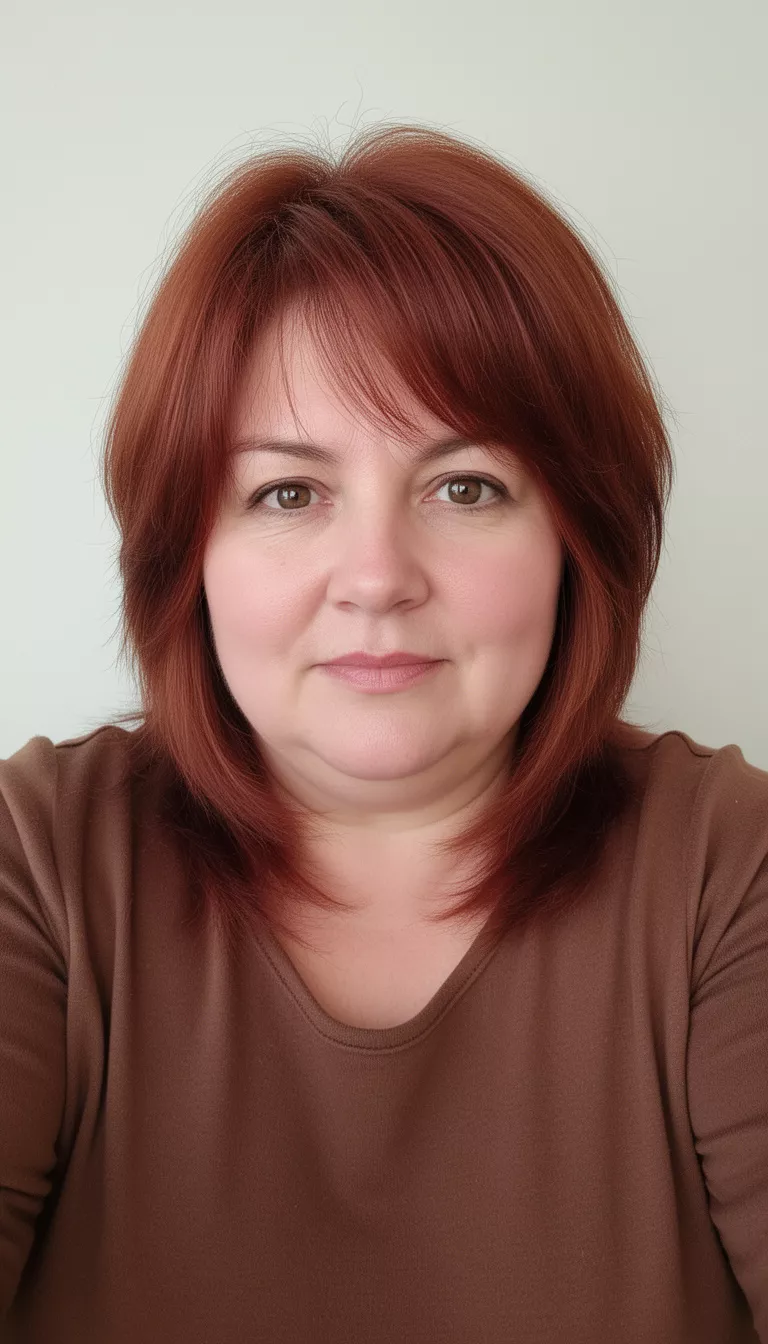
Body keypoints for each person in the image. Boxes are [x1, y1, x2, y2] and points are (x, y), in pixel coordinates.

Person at [1, 123, 766, 1344]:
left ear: (583, 538)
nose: (376, 577)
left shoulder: (730, 866)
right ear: (181, 553)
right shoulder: (35, 859)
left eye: (465, 486)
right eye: (288, 492)